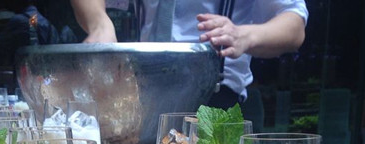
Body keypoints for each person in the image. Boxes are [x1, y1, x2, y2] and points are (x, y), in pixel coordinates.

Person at [69, 0, 308, 109]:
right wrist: (99, 24)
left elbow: (294, 27)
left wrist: (244, 35)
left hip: (216, 102)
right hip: (143, 100)